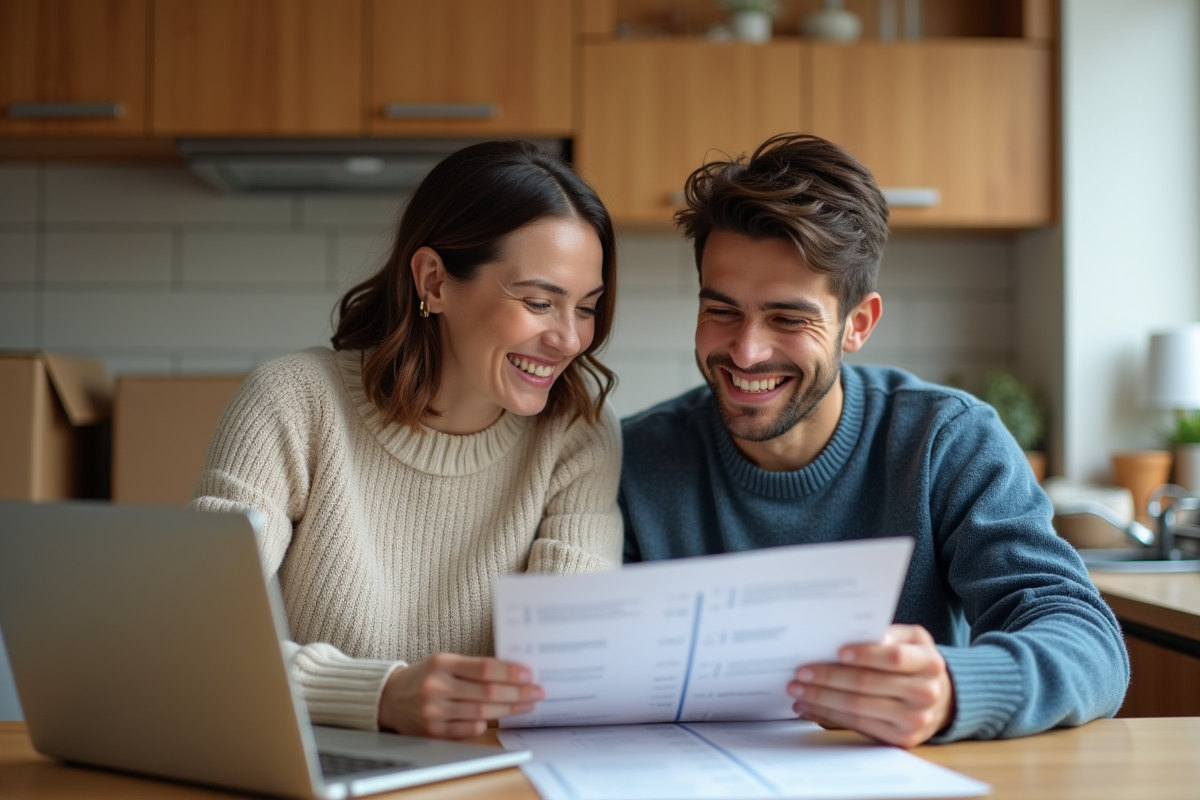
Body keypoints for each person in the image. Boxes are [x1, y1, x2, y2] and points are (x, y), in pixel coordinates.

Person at [619, 133, 1129, 747]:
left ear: (857, 324)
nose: (746, 351)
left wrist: (954, 688)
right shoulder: (633, 459)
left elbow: (1088, 642)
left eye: (788, 317)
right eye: (721, 310)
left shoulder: (946, 441)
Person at [191, 140, 624, 740]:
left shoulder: (578, 436)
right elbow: (197, 633)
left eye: (587, 308)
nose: (571, 339)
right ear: (435, 281)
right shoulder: (293, 401)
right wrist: (382, 696)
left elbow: (567, 667)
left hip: (494, 775)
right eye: (539, 302)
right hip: (320, 767)